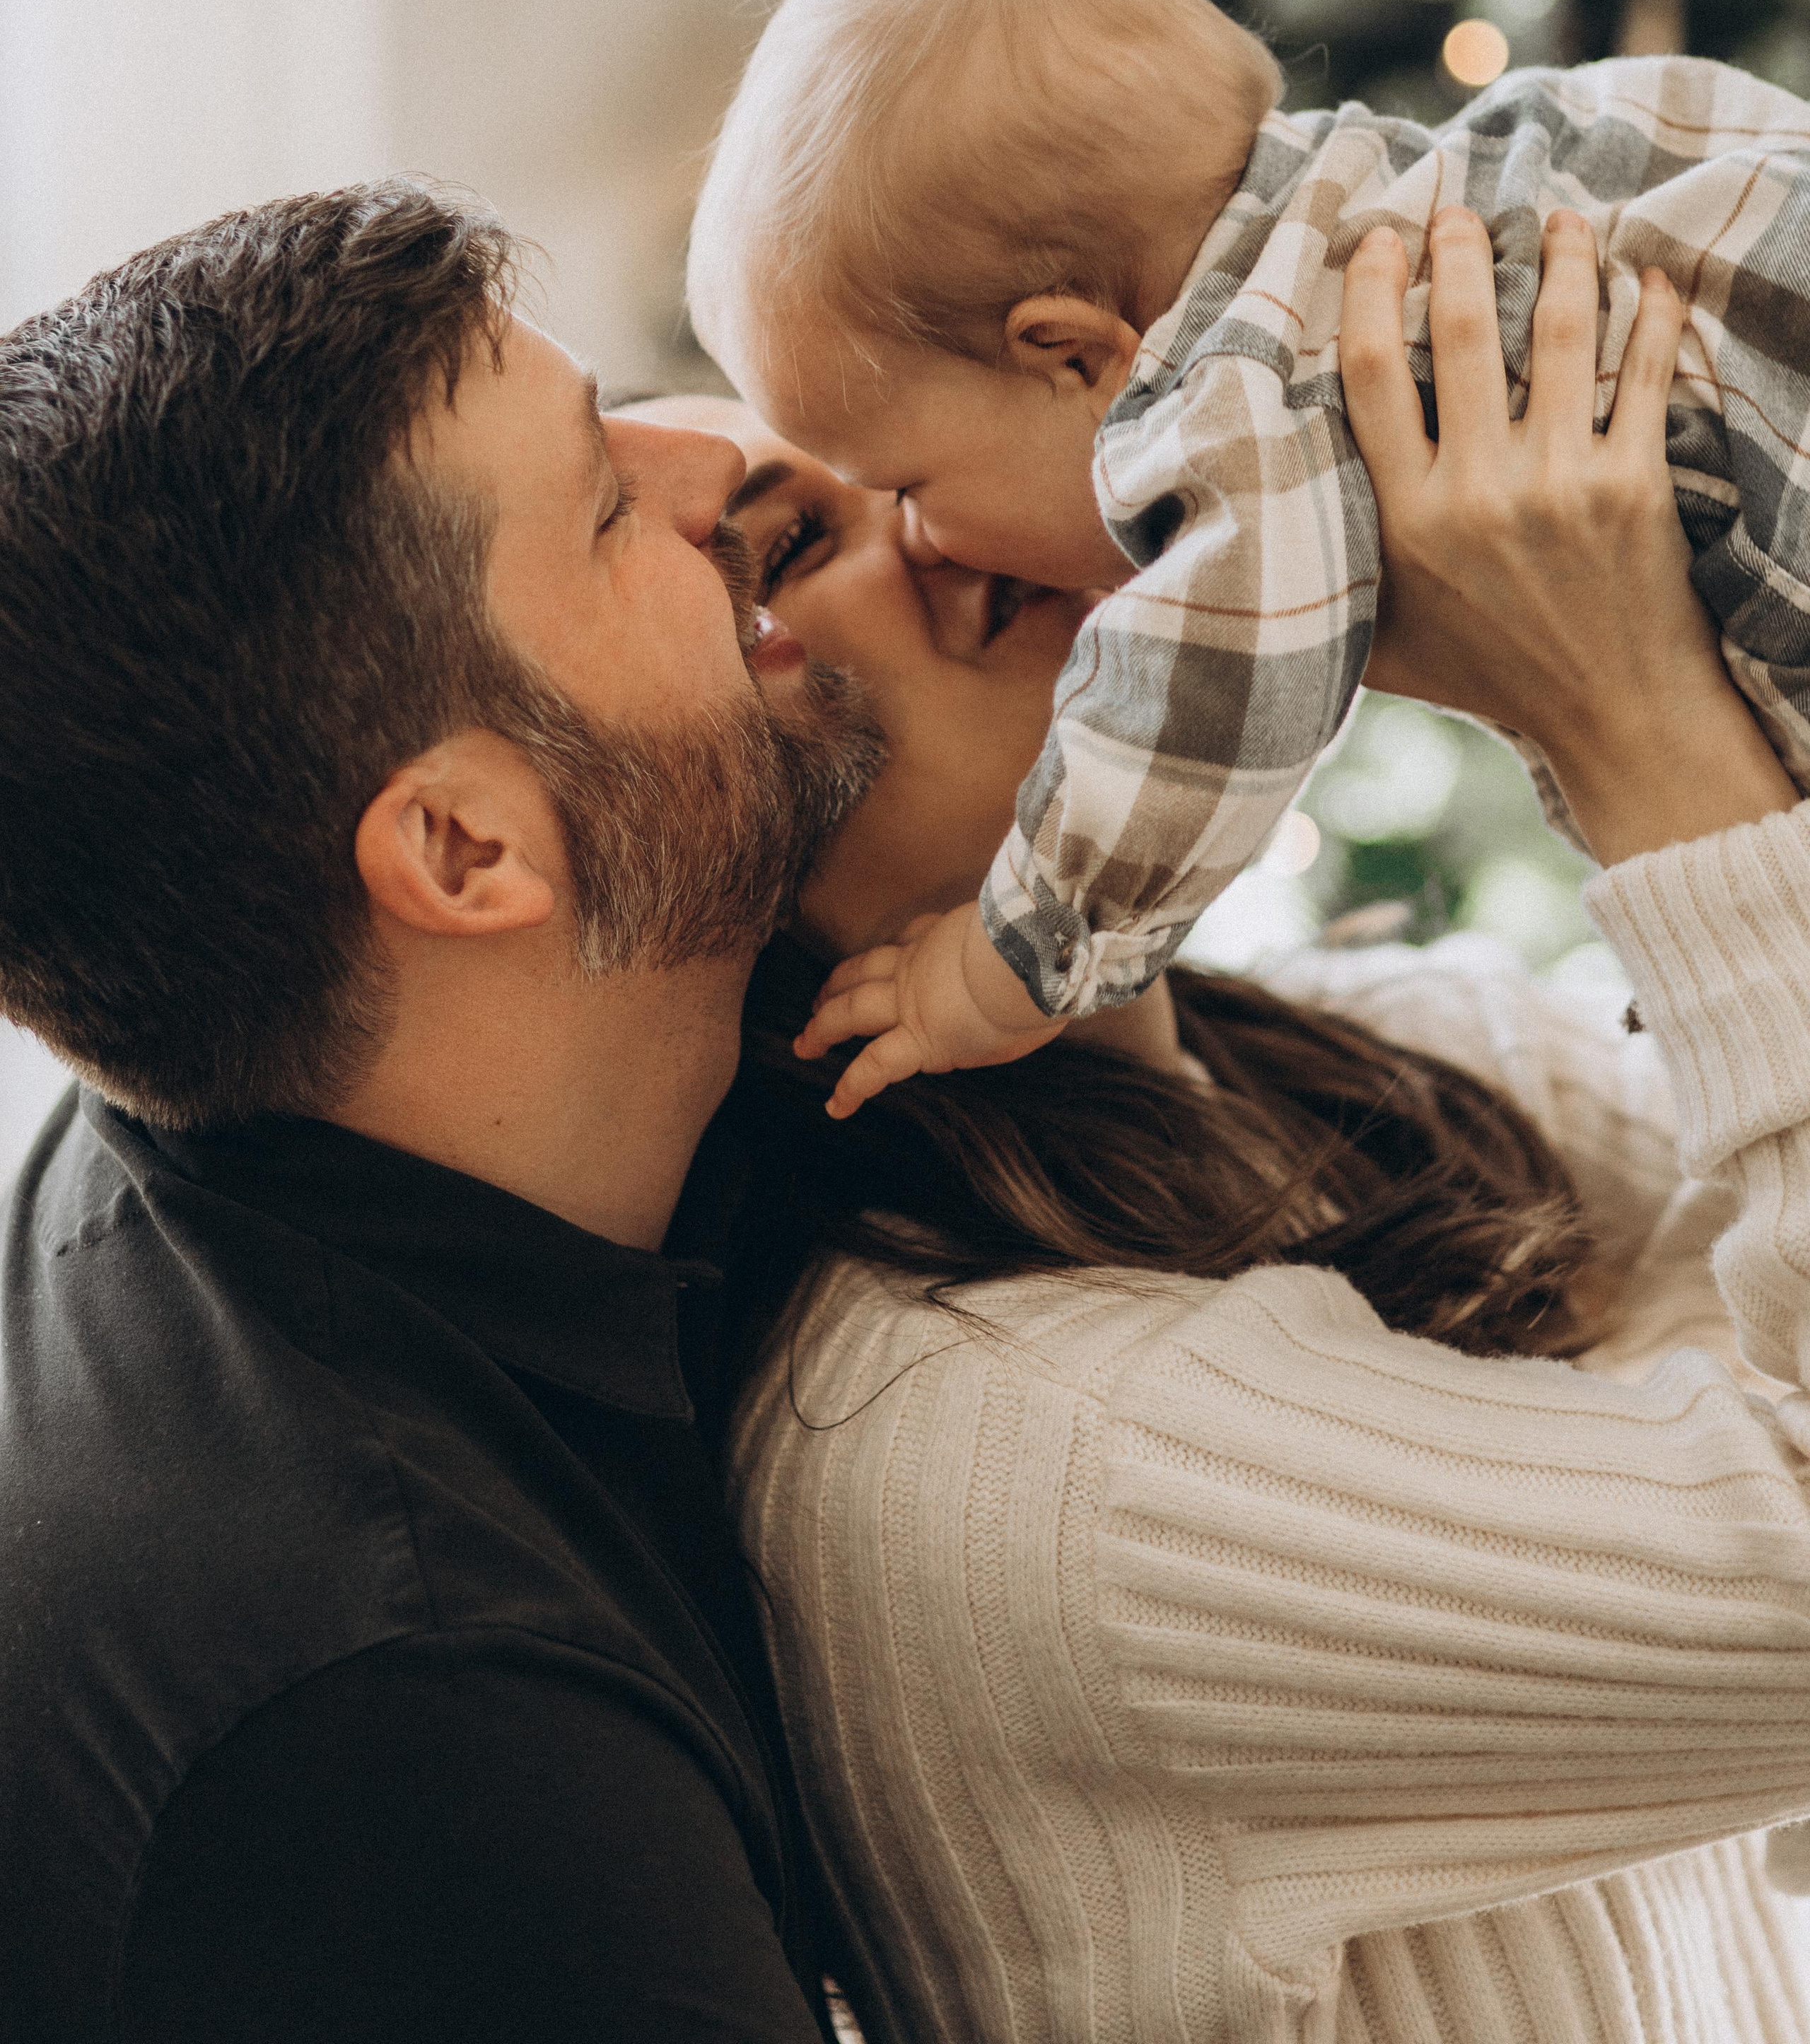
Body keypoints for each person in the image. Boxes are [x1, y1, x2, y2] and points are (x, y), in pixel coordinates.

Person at [643, 199, 1810, 2044]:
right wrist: (1625, 710)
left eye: (909, 462)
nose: (957, 526)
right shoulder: (1023, 1448)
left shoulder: (1368, 1055)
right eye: (799, 544)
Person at [0, 180, 887, 2043]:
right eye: (602, 502)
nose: (719, 462)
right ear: (466, 847)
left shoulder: (258, 1103)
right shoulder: (421, 1730)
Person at [685, 0, 1810, 1116]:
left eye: (909, 486)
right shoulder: (1461, 168)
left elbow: (1204, 702)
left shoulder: (1234, 417)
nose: (928, 539)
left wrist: (1008, 961)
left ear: (1070, 357)